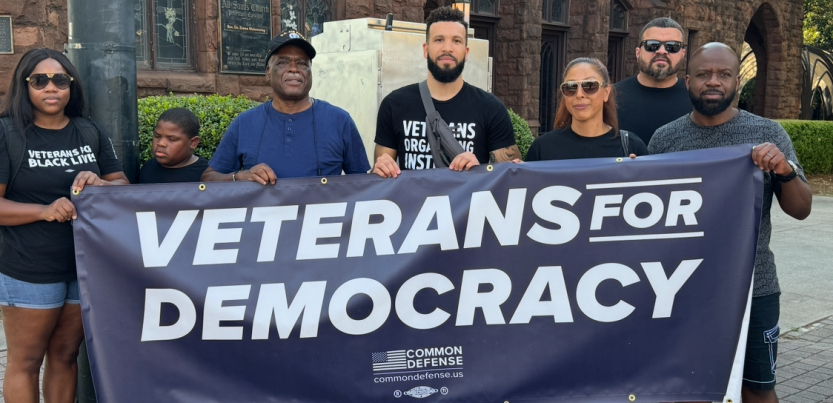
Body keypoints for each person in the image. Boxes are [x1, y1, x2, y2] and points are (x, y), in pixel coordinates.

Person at [649, 43, 813, 403]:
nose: (713, 82)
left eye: (723, 74)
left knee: (756, 389)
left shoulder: (768, 134)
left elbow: (802, 209)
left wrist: (784, 170)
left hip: (754, 285)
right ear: (687, 80)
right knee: (689, 385)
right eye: (704, 74)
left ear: (736, 81)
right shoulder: (664, 140)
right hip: (682, 287)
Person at [0, 48, 129, 403]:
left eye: (60, 79)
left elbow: (123, 188)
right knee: (25, 361)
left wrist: (102, 184)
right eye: (39, 80)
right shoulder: (7, 133)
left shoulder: (88, 131)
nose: (51, 87)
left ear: (71, 85)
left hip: (83, 266)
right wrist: (43, 210)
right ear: (24, 86)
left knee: (64, 356)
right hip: (29, 268)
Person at [201, 31, 370, 184]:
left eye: (303, 63)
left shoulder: (339, 121)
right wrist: (239, 177)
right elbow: (208, 179)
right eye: (283, 62)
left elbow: (363, 183)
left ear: (311, 72)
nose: (294, 69)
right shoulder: (245, 123)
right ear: (268, 72)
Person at [373, 6, 519, 178]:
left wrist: (479, 170)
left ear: (466, 53)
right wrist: (379, 169)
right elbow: (379, 180)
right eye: (439, 40)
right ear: (426, 50)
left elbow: (509, 180)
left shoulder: (491, 109)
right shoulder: (394, 105)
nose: (447, 48)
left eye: (456, 41)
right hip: (413, 204)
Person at [525, 58, 647, 162]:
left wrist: (637, 172)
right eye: (571, 87)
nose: (579, 94)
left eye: (590, 86)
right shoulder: (543, 147)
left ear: (606, 93)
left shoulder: (631, 146)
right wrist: (515, 173)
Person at [614, 17, 691, 145]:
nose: (662, 51)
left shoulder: (697, 99)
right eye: (652, 45)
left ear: (683, 53)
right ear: (637, 52)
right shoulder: (611, 97)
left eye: (672, 46)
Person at [139, 108, 208, 183]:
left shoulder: (205, 174)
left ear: (193, 143)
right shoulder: (148, 167)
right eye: (157, 136)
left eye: (172, 139)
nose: (161, 143)